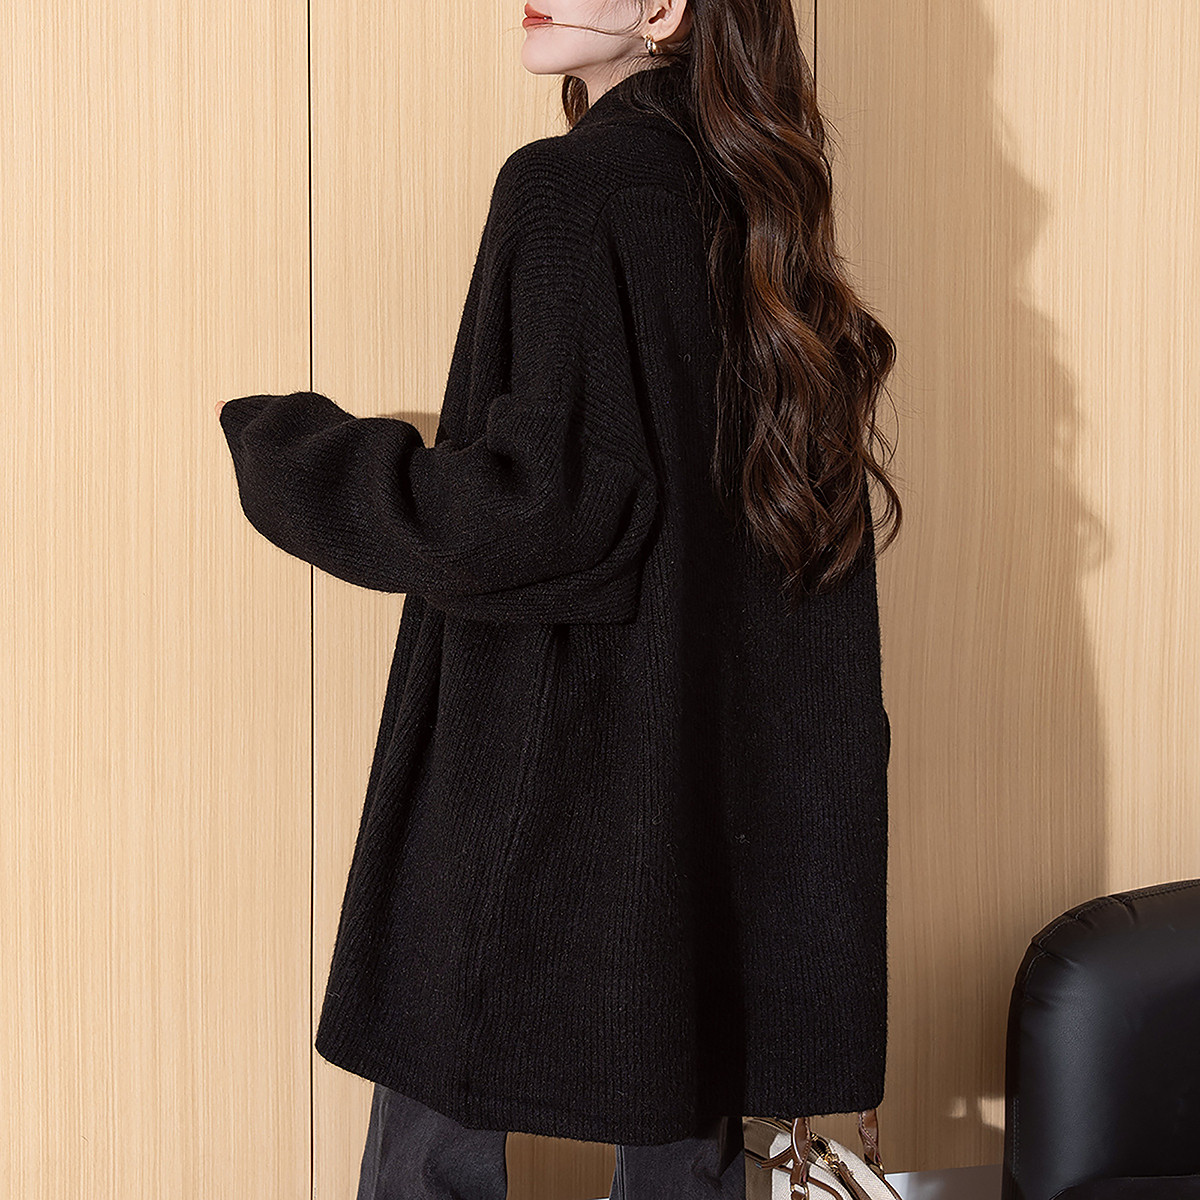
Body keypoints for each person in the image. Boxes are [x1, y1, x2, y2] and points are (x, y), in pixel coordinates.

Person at [217, 0, 902, 1195]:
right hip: (707, 805)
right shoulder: (762, 202)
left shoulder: (570, 188)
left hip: (533, 778)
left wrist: (297, 457)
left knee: (434, 1138)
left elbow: (542, 508)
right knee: (684, 1139)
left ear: (664, 9)